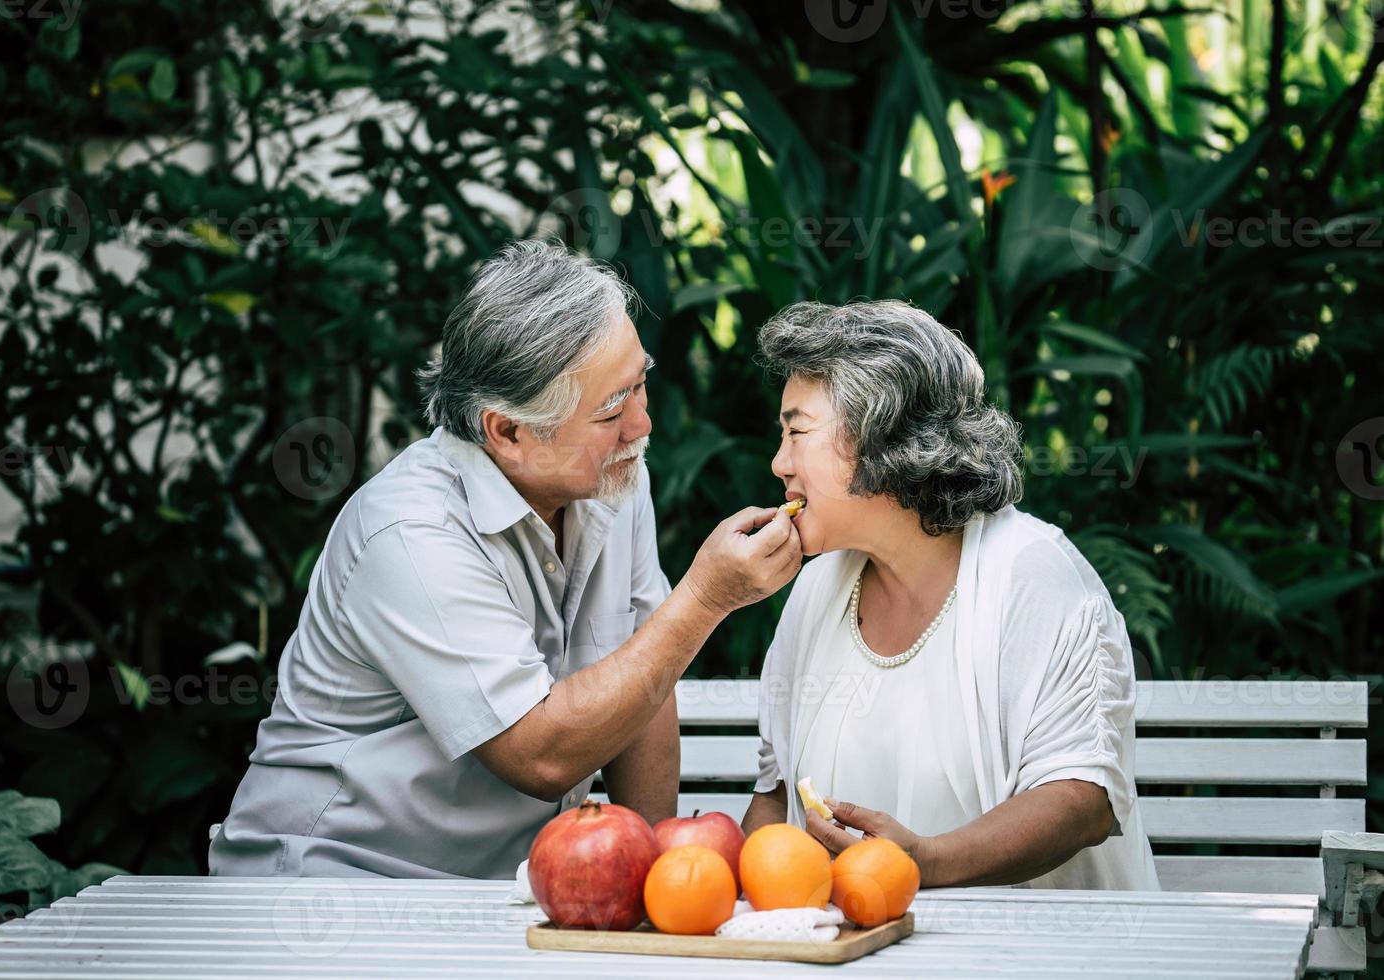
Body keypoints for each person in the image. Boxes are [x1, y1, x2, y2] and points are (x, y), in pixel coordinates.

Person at [209, 241, 802, 878]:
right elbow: (539, 756)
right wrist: (707, 597)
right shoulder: (411, 532)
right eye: (611, 408)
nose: (642, 425)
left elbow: (644, 670)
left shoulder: (611, 473)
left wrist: (655, 882)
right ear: (508, 432)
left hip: (499, 892)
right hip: (334, 880)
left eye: (641, 384)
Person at [742, 299, 1160, 890]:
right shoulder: (816, 586)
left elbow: (1081, 797)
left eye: (797, 430)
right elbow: (776, 798)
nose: (779, 460)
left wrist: (923, 863)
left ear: (879, 434)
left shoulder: (1034, 574)